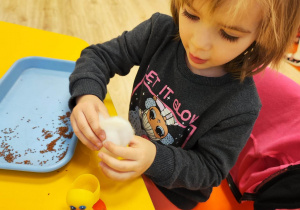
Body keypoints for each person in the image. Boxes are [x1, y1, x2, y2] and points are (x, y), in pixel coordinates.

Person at [68, 0, 300, 209]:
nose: (198, 44)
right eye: (191, 15)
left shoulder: (242, 105)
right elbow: (99, 56)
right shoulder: (160, 32)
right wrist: (87, 96)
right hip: (126, 159)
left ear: (263, 35)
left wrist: (154, 159)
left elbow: (210, 169)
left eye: (228, 34)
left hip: (173, 192)